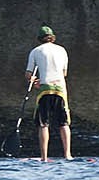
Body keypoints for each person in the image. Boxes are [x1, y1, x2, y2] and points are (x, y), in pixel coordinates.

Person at [24, 25, 71, 161]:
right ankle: (67, 155)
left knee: (43, 123)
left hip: (44, 90)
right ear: (52, 37)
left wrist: (34, 81)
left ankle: (44, 157)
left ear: (40, 39)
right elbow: (64, 73)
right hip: (60, 89)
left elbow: (28, 74)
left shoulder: (35, 51)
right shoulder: (62, 50)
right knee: (64, 123)